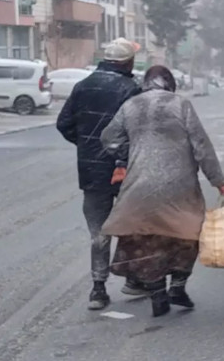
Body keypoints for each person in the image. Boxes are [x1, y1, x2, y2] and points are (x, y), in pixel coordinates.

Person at [100, 65, 224, 317]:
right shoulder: (181, 105)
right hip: (179, 186)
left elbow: (109, 137)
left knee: (147, 240)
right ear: (170, 84)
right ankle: (178, 287)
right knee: (187, 234)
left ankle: (158, 292)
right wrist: (218, 180)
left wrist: (129, 153)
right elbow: (200, 145)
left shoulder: (130, 106)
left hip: (139, 184)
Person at [56, 38, 142, 310]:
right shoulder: (130, 89)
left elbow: (64, 124)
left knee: (99, 231)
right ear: (128, 62)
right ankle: (133, 279)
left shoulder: (82, 87)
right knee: (131, 225)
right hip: (124, 170)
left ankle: (98, 288)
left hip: (91, 170)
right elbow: (137, 131)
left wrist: (86, 144)